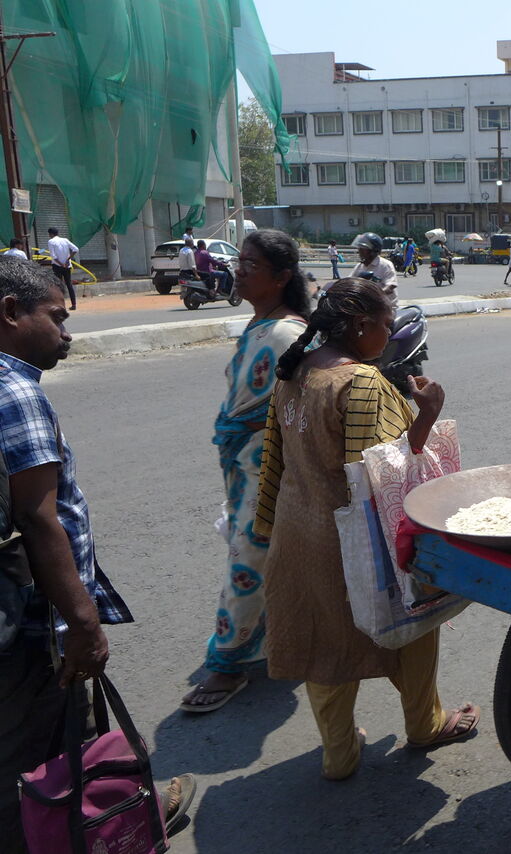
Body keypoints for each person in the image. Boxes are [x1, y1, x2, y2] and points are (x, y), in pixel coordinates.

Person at [0, 259, 194, 847]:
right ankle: (93, 823)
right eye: (55, 317)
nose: (66, 333)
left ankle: (113, 810)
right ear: (10, 313)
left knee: (54, 737)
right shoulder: (15, 392)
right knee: (44, 751)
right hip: (33, 625)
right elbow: (39, 519)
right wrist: (82, 624)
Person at [255, 279, 479, 781]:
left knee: (323, 645)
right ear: (360, 325)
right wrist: (429, 414)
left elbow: (274, 460)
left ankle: (339, 755)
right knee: (415, 625)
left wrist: (267, 527)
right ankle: (426, 724)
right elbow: (385, 471)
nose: (389, 333)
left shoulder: (294, 372)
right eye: (386, 324)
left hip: (299, 533)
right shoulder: (361, 383)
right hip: (353, 539)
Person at [180, 231, 311, 714]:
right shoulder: (260, 325)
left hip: (268, 470)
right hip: (243, 464)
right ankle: (275, 639)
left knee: (246, 561)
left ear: (281, 277)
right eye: (242, 262)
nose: (239, 270)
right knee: (261, 557)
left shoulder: (287, 333)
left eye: (251, 265)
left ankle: (228, 663)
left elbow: (300, 406)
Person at [350, 232, 398, 309]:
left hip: (385, 308)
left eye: (363, 248)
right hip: (366, 306)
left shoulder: (385, 265)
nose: (359, 250)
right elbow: (349, 281)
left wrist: (373, 296)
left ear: (373, 250)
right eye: (359, 247)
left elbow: (390, 286)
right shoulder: (360, 266)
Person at [44, 228, 78, 311]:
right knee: (69, 284)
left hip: (57, 266)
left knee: (59, 286)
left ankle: (61, 305)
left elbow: (53, 256)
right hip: (67, 266)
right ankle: (74, 304)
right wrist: (68, 259)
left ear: (51, 234)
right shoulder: (65, 240)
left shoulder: (51, 241)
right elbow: (76, 249)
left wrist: (61, 264)